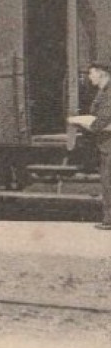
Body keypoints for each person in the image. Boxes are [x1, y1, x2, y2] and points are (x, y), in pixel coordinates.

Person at [71, 61, 111, 230]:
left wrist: (77, 121)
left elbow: (101, 122)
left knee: (108, 182)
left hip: (109, 145)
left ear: (101, 73)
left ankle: (109, 220)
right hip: (105, 144)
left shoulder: (108, 93)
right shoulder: (103, 91)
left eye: (91, 73)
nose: (89, 77)